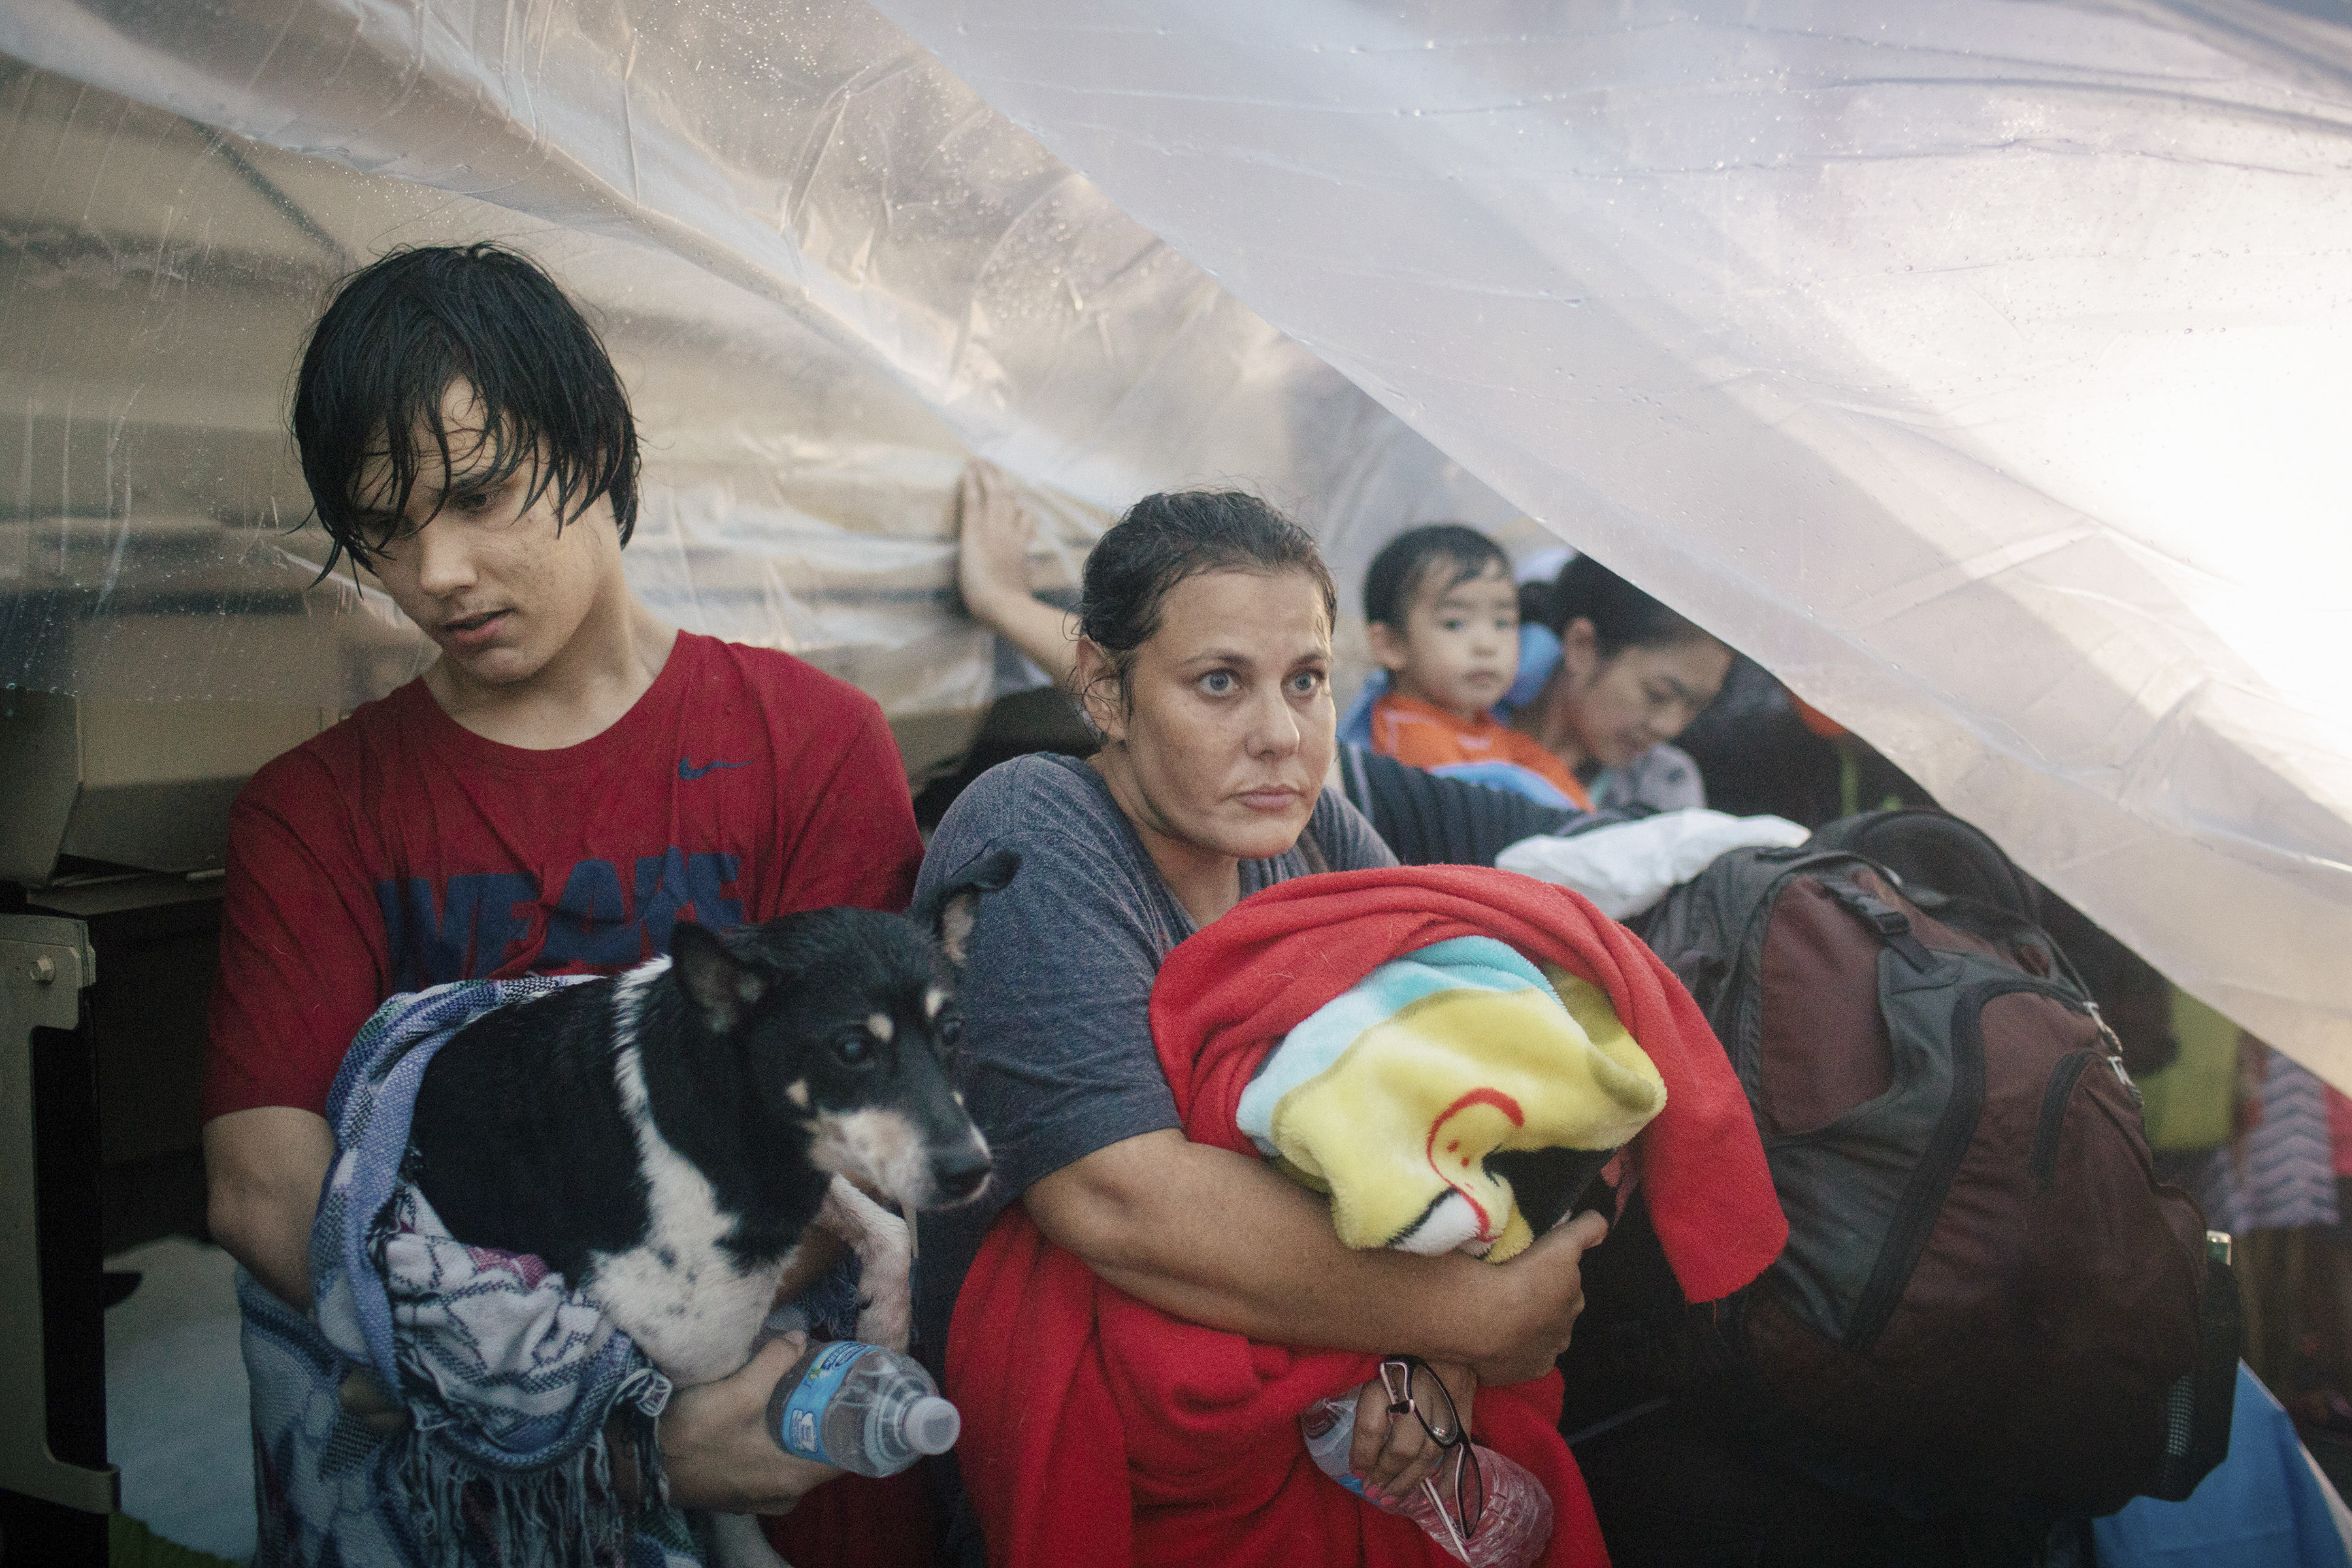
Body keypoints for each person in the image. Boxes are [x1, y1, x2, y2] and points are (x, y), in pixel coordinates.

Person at [200, 244, 928, 1559]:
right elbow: (265, 1188)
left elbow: (854, 1139)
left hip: (774, 1458)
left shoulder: (812, 745)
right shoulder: (314, 808)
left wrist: (655, 1395)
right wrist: (593, 1419)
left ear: (595, 439)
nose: (436, 570)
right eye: (384, 527)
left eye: (480, 495)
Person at [922, 483, 1618, 1561]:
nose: (1281, 735)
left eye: (1306, 681)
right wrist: (1462, 1318)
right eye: (1218, 685)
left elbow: (1465, 1059)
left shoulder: (1313, 833)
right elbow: (1118, 1197)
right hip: (1112, 1463)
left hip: (1328, 1422)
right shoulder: (1038, 824)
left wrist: (1444, 1364)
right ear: (1105, 688)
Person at [1360, 523, 1589, 808]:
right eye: (1455, 624)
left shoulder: (1484, 726)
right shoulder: (1409, 744)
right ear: (1392, 645)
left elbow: (1548, 773)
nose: (1487, 646)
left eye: (1503, 623)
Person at [1507, 555, 1731, 814]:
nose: (1670, 727)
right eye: (1658, 694)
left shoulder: (1665, 790)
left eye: (1696, 707)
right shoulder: (1462, 723)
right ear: (1582, 646)